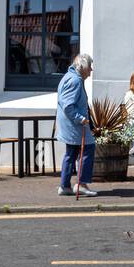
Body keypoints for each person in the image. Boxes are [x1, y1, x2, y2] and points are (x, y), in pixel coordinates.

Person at [57, 53, 97, 197]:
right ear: (82, 67)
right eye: (89, 67)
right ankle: (81, 184)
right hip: (75, 125)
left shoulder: (69, 77)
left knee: (71, 153)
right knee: (88, 148)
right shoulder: (75, 80)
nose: (91, 71)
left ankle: (64, 186)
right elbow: (68, 106)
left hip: (70, 125)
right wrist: (81, 119)